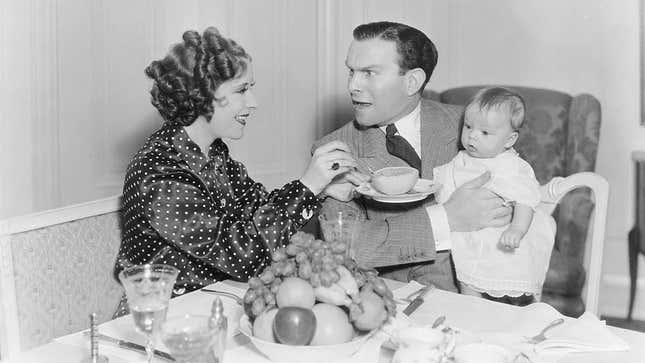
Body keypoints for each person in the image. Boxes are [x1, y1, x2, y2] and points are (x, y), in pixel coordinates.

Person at [113, 27, 358, 315]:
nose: (253, 102)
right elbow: (243, 255)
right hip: (161, 321)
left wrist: (321, 188)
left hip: (212, 307)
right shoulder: (158, 170)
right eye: (242, 90)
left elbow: (261, 211)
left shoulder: (213, 153)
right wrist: (308, 186)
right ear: (201, 95)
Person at [314, 21, 512, 292]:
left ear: (412, 81)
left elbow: (513, 193)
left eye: (369, 73)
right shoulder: (334, 150)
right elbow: (347, 248)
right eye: (351, 71)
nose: (352, 85)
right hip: (398, 305)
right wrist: (447, 218)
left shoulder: (469, 125)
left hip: (488, 295)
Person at [433, 87, 555, 304]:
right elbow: (444, 179)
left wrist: (517, 229)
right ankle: (472, 312)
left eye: (485, 133)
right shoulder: (461, 159)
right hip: (467, 234)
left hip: (500, 235)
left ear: (509, 140)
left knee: (506, 278)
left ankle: (512, 314)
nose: (472, 136)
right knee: (468, 280)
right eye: (468, 126)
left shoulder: (510, 166)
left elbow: (526, 200)